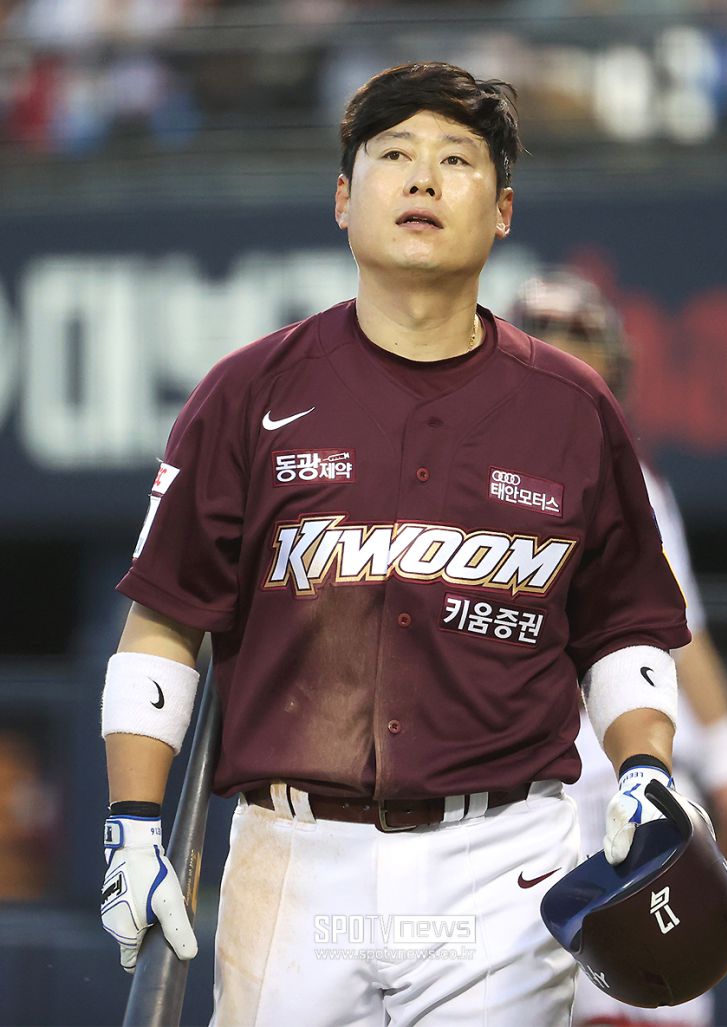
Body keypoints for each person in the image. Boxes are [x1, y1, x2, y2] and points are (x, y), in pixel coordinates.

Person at [100, 63, 693, 1027]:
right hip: (294, 861)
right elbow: (163, 624)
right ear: (343, 198)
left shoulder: (575, 408)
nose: (422, 177)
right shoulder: (247, 392)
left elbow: (624, 628)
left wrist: (646, 769)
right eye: (394, 155)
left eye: (456, 160)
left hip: (501, 863)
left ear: (502, 211)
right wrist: (131, 824)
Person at [513, 268, 727, 1027]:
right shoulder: (464, 477)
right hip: (518, 789)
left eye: (579, 339)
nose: (565, 354)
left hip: (627, 771)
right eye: (547, 338)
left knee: (664, 995)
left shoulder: (634, 479)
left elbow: (680, 631)